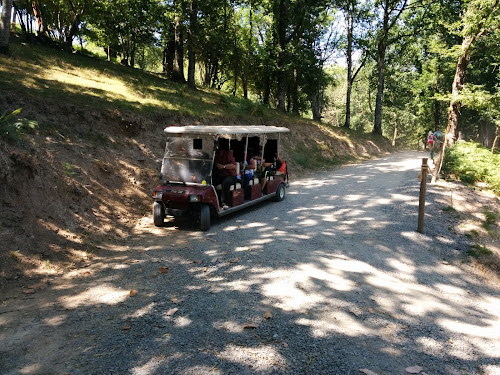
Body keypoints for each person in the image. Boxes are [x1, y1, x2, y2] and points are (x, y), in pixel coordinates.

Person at [213, 141, 237, 209]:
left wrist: (223, 166)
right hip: (220, 175)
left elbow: (233, 165)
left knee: (226, 182)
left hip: (230, 175)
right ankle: (213, 200)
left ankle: (225, 203)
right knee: (210, 180)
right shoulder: (216, 152)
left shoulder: (229, 153)